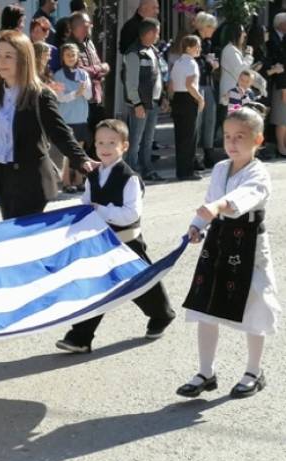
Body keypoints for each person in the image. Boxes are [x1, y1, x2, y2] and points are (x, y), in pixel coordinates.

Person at [176, 104, 280, 399]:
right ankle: (205, 371)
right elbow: (210, 200)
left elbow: (240, 199)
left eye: (240, 137)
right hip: (219, 239)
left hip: (248, 242)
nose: (232, 143)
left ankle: (253, 370)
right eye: (228, 136)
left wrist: (218, 207)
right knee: (205, 303)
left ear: (258, 140)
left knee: (255, 304)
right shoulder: (220, 168)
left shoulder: (259, 173)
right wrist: (198, 225)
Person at [56, 119, 176, 353]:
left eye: (112, 142)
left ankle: (162, 315)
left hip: (127, 243)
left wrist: (99, 209)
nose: (105, 148)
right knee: (97, 288)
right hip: (101, 243)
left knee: (142, 285)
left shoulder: (129, 178)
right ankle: (80, 337)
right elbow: (86, 203)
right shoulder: (93, 174)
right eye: (100, 142)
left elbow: (130, 214)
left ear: (125, 146)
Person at [0, 31, 98, 219]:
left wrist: (82, 160)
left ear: (23, 59)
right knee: (13, 233)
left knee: (23, 237)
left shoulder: (40, 96)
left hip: (32, 182)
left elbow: (60, 133)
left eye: (8, 56)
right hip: (3, 180)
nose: (1, 61)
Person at [122, 18, 166, 182]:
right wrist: (137, 103)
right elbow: (131, 82)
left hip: (153, 102)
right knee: (135, 139)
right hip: (140, 104)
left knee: (148, 139)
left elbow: (158, 76)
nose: (158, 36)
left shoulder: (153, 50)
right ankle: (131, 171)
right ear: (149, 33)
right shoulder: (134, 53)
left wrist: (163, 97)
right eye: (157, 32)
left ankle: (147, 169)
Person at [67, 11, 111, 158]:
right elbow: (78, 71)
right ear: (78, 26)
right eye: (87, 24)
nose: (91, 26)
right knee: (85, 139)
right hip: (81, 100)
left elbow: (99, 65)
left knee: (100, 134)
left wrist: (99, 69)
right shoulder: (70, 46)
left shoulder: (89, 43)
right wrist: (100, 69)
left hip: (96, 96)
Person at [53, 43, 92, 193]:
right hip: (66, 117)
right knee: (67, 153)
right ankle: (66, 182)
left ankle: (79, 180)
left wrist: (84, 90)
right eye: (67, 55)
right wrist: (75, 93)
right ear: (63, 57)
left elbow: (89, 95)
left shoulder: (83, 74)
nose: (71, 57)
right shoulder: (58, 75)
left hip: (81, 116)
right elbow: (60, 98)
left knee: (79, 150)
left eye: (73, 55)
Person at [171, 35, 205, 181]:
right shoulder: (191, 63)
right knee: (190, 136)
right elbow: (189, 85)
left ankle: (181, 170)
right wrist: (200, 98)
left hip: (177, 99)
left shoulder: (177, 62)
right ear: (188, 48)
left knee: (180, 136)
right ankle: (188, 171)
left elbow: (171, 84)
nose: (199, 49)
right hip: (188, 99)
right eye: (197, 46)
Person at [192, 12, 219, 168]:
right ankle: (194, 155)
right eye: (212, 27)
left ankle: (209, 152)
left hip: (208, 83)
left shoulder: (208, 42)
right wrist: (209, 63)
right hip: (197, 84)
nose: (213, 30)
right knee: (198, 121)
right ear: (205, 26)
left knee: (210, 119)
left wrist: (213, 64)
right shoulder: (194, 40)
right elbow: (196, 62)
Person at [268, 13, 286, 157]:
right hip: (278, 82)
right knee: (281, 117)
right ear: (281, 23)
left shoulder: (283, 38)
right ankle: (280, 147)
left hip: (282, 80)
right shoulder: (271, 37)